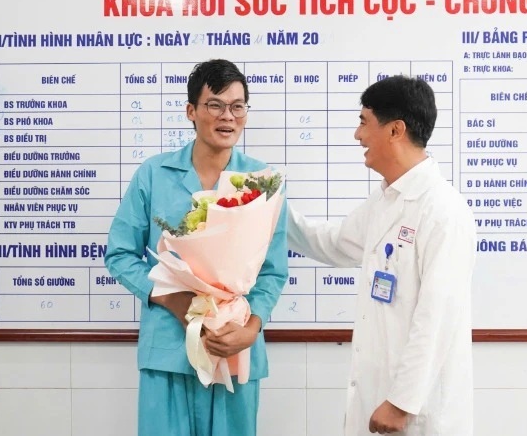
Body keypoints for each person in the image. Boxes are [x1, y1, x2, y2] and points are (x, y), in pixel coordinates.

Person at [104, 59, 288, 436]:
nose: (228, 116)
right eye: (215, 105)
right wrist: (176, 301)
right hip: (169, 352)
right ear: (191, 111)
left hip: (233, 347)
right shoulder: (153, 174)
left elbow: (272, 270)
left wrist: (251, 328)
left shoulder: (262, 181)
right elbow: (120, 255)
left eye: (238, 106)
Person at [287, 75, 477, 435]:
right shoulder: (387, 200)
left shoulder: (443, 211)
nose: (357, 135)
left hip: (416, 413)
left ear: (395, 130)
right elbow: (334, 242)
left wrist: (402, 402)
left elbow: (436, 317)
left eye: (363, 122)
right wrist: (268, 211)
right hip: (379, 400)